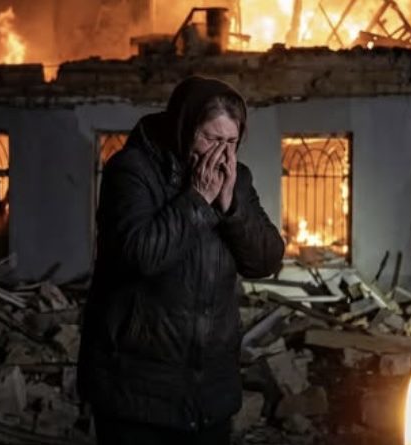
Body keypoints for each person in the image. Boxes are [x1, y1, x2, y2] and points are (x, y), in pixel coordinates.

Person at [78, 76, 285, 445]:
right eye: (210, 138)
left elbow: (266, 260)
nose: (220, 154)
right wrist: (198, 200)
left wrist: (232, 209)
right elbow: (140, 256)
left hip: (210, 393)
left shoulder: (236, 179)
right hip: (136, 392)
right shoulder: (132, 171)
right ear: (184, 127)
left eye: (231, 143)